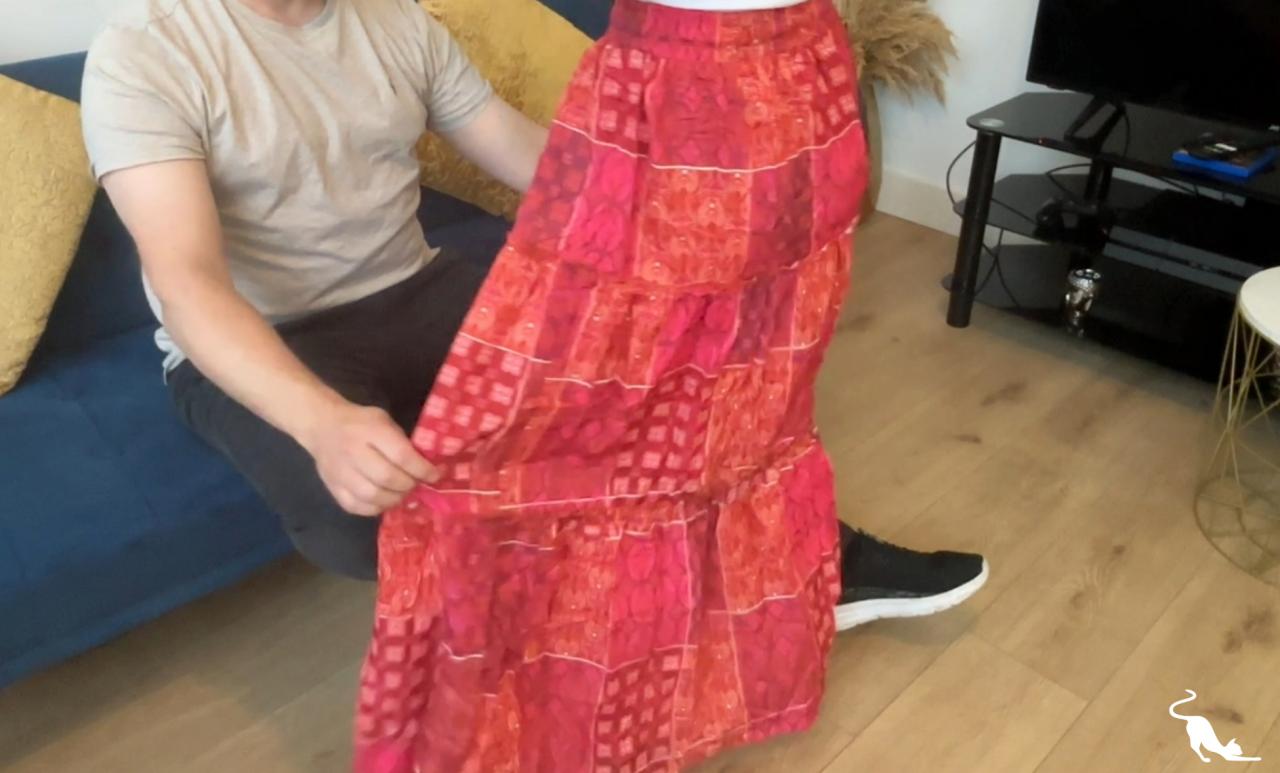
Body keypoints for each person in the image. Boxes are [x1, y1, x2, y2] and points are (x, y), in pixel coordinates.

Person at [83, 0, 984, 656]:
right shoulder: (149, 51)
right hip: (263, 338)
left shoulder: (396, 20)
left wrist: (688, 220)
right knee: (371, 525)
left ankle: (815, 561)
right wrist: (323, 424)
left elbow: (536, 161)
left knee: (664, 364)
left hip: (417, 286)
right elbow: (189, 284)